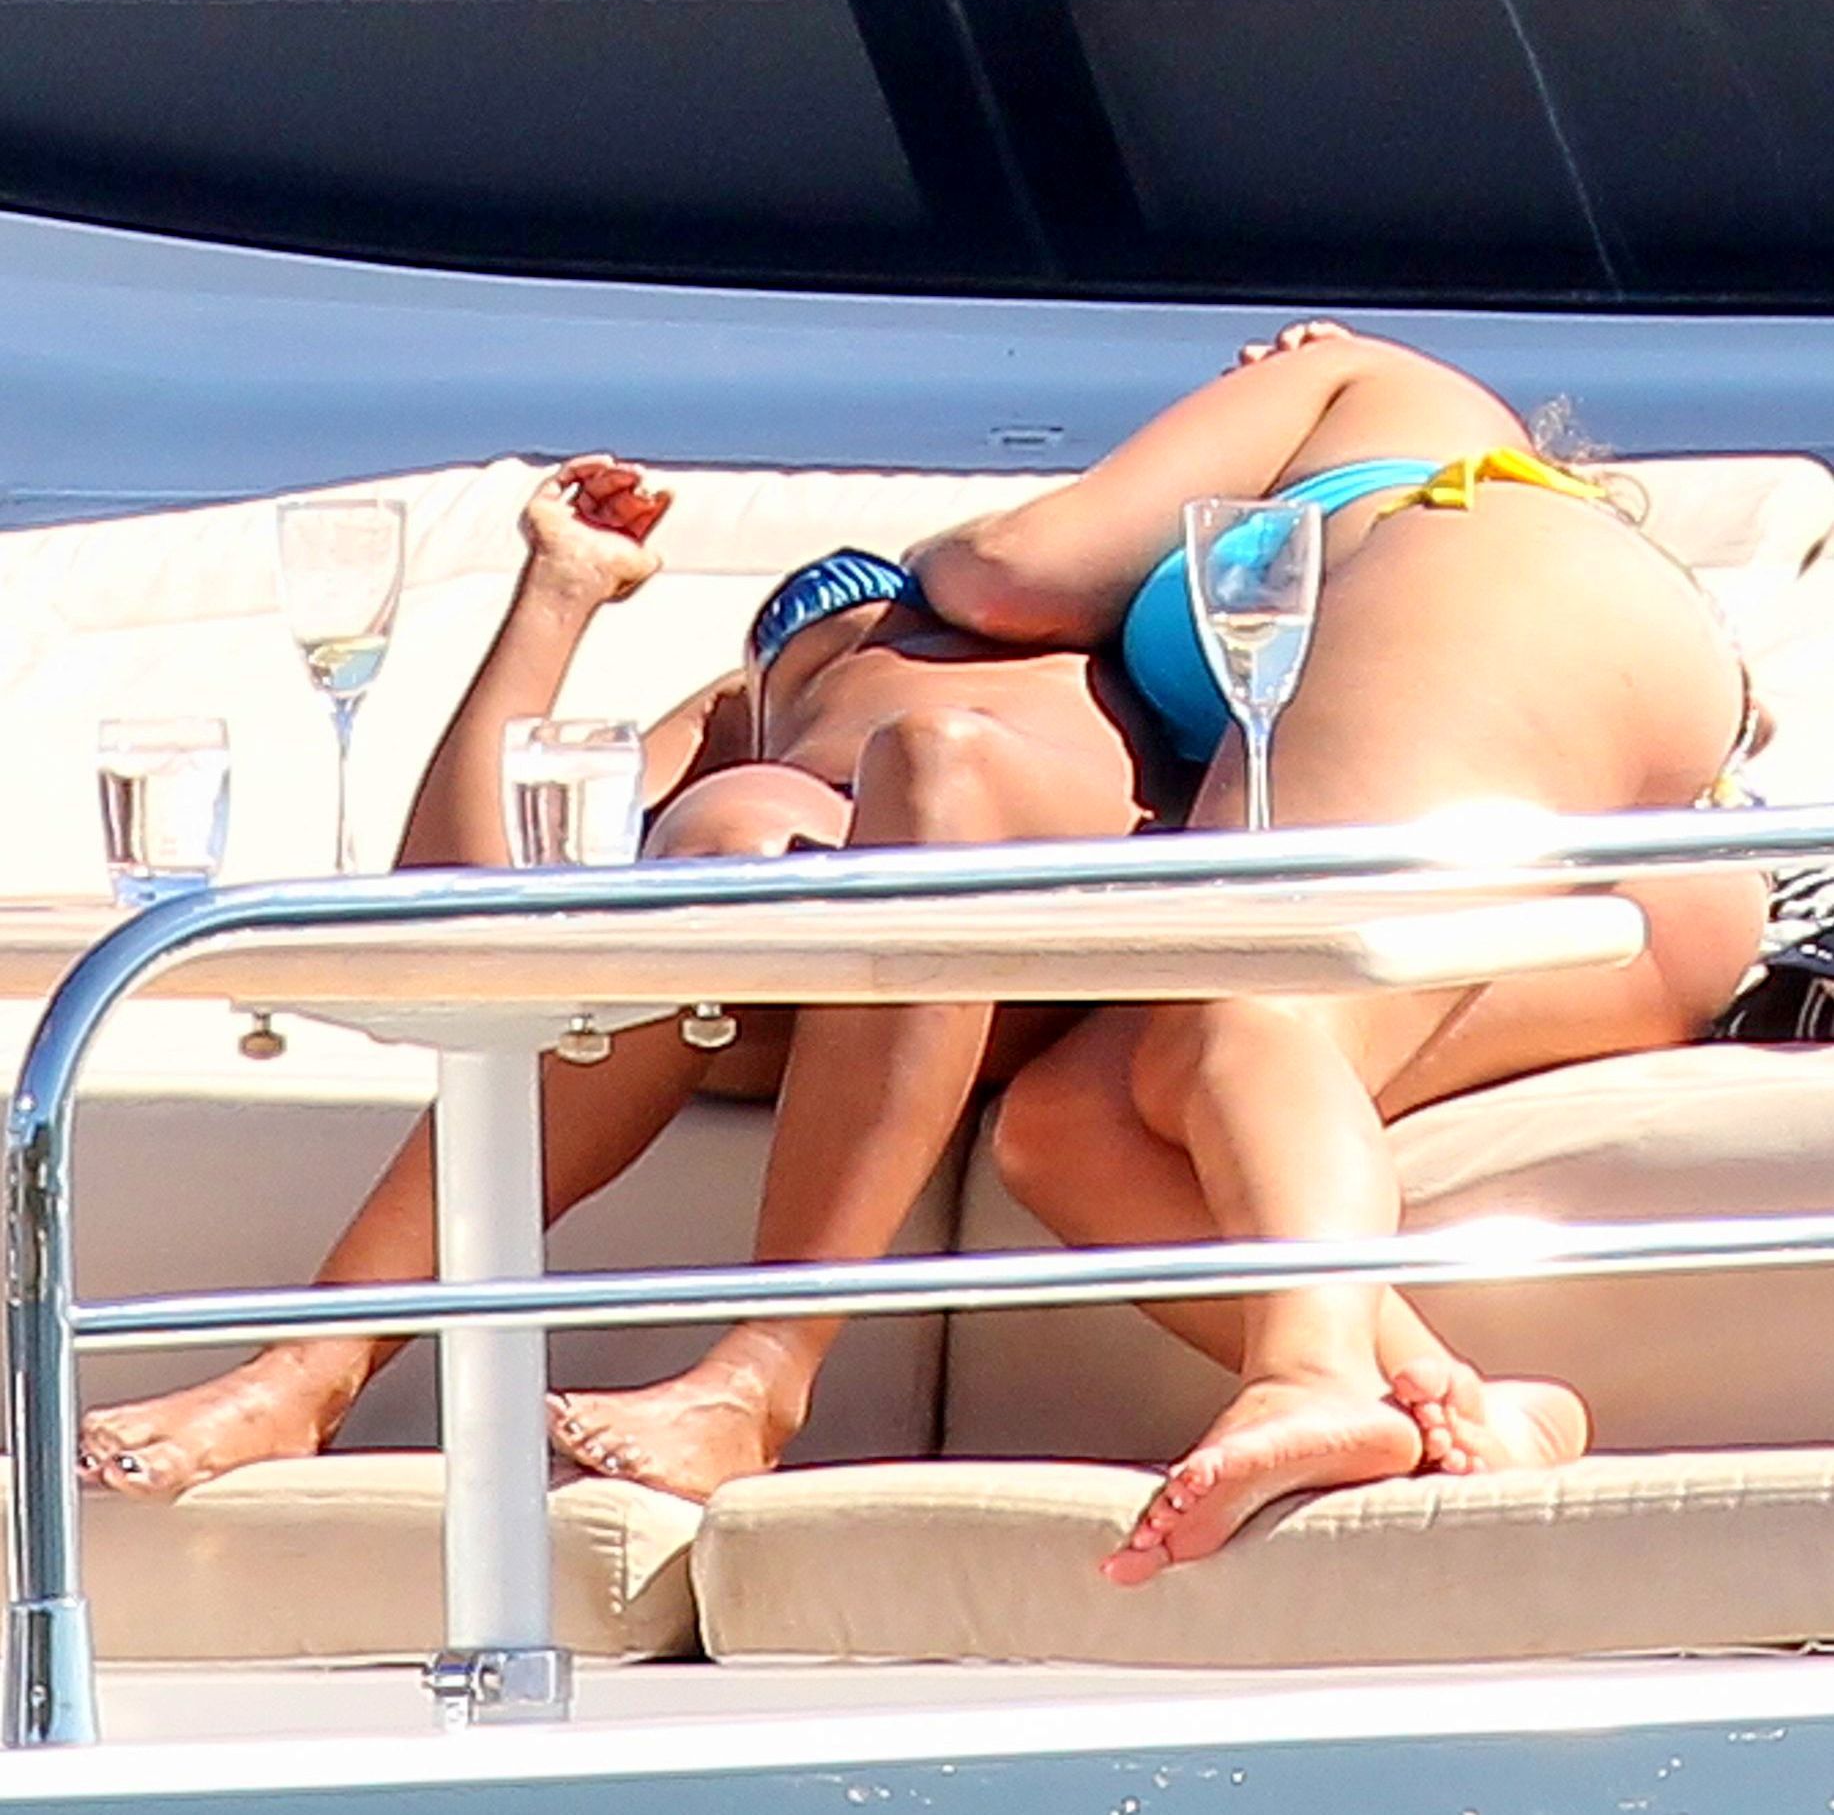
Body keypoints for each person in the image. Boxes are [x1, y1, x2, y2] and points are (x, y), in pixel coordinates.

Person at [75, 448, 1167, 1499]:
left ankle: (762, 1374)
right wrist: (558, 594)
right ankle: (309, 1366)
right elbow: (458, 900)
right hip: (808, 932)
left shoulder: (1064, 593)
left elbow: (1052, 573)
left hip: (1021, 910)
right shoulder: (738, 719)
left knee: (915, 761)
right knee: (723, 841)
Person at [907, 320, 1767, 1582]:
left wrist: (902, 569)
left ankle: (1307, 1369)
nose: (1245, 356)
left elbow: (1010, 567)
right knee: (1069, 1123)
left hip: (1499, 596)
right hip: (1671, 877)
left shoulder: (1356, 375)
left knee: (1261, 985)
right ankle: (1452, 1396)